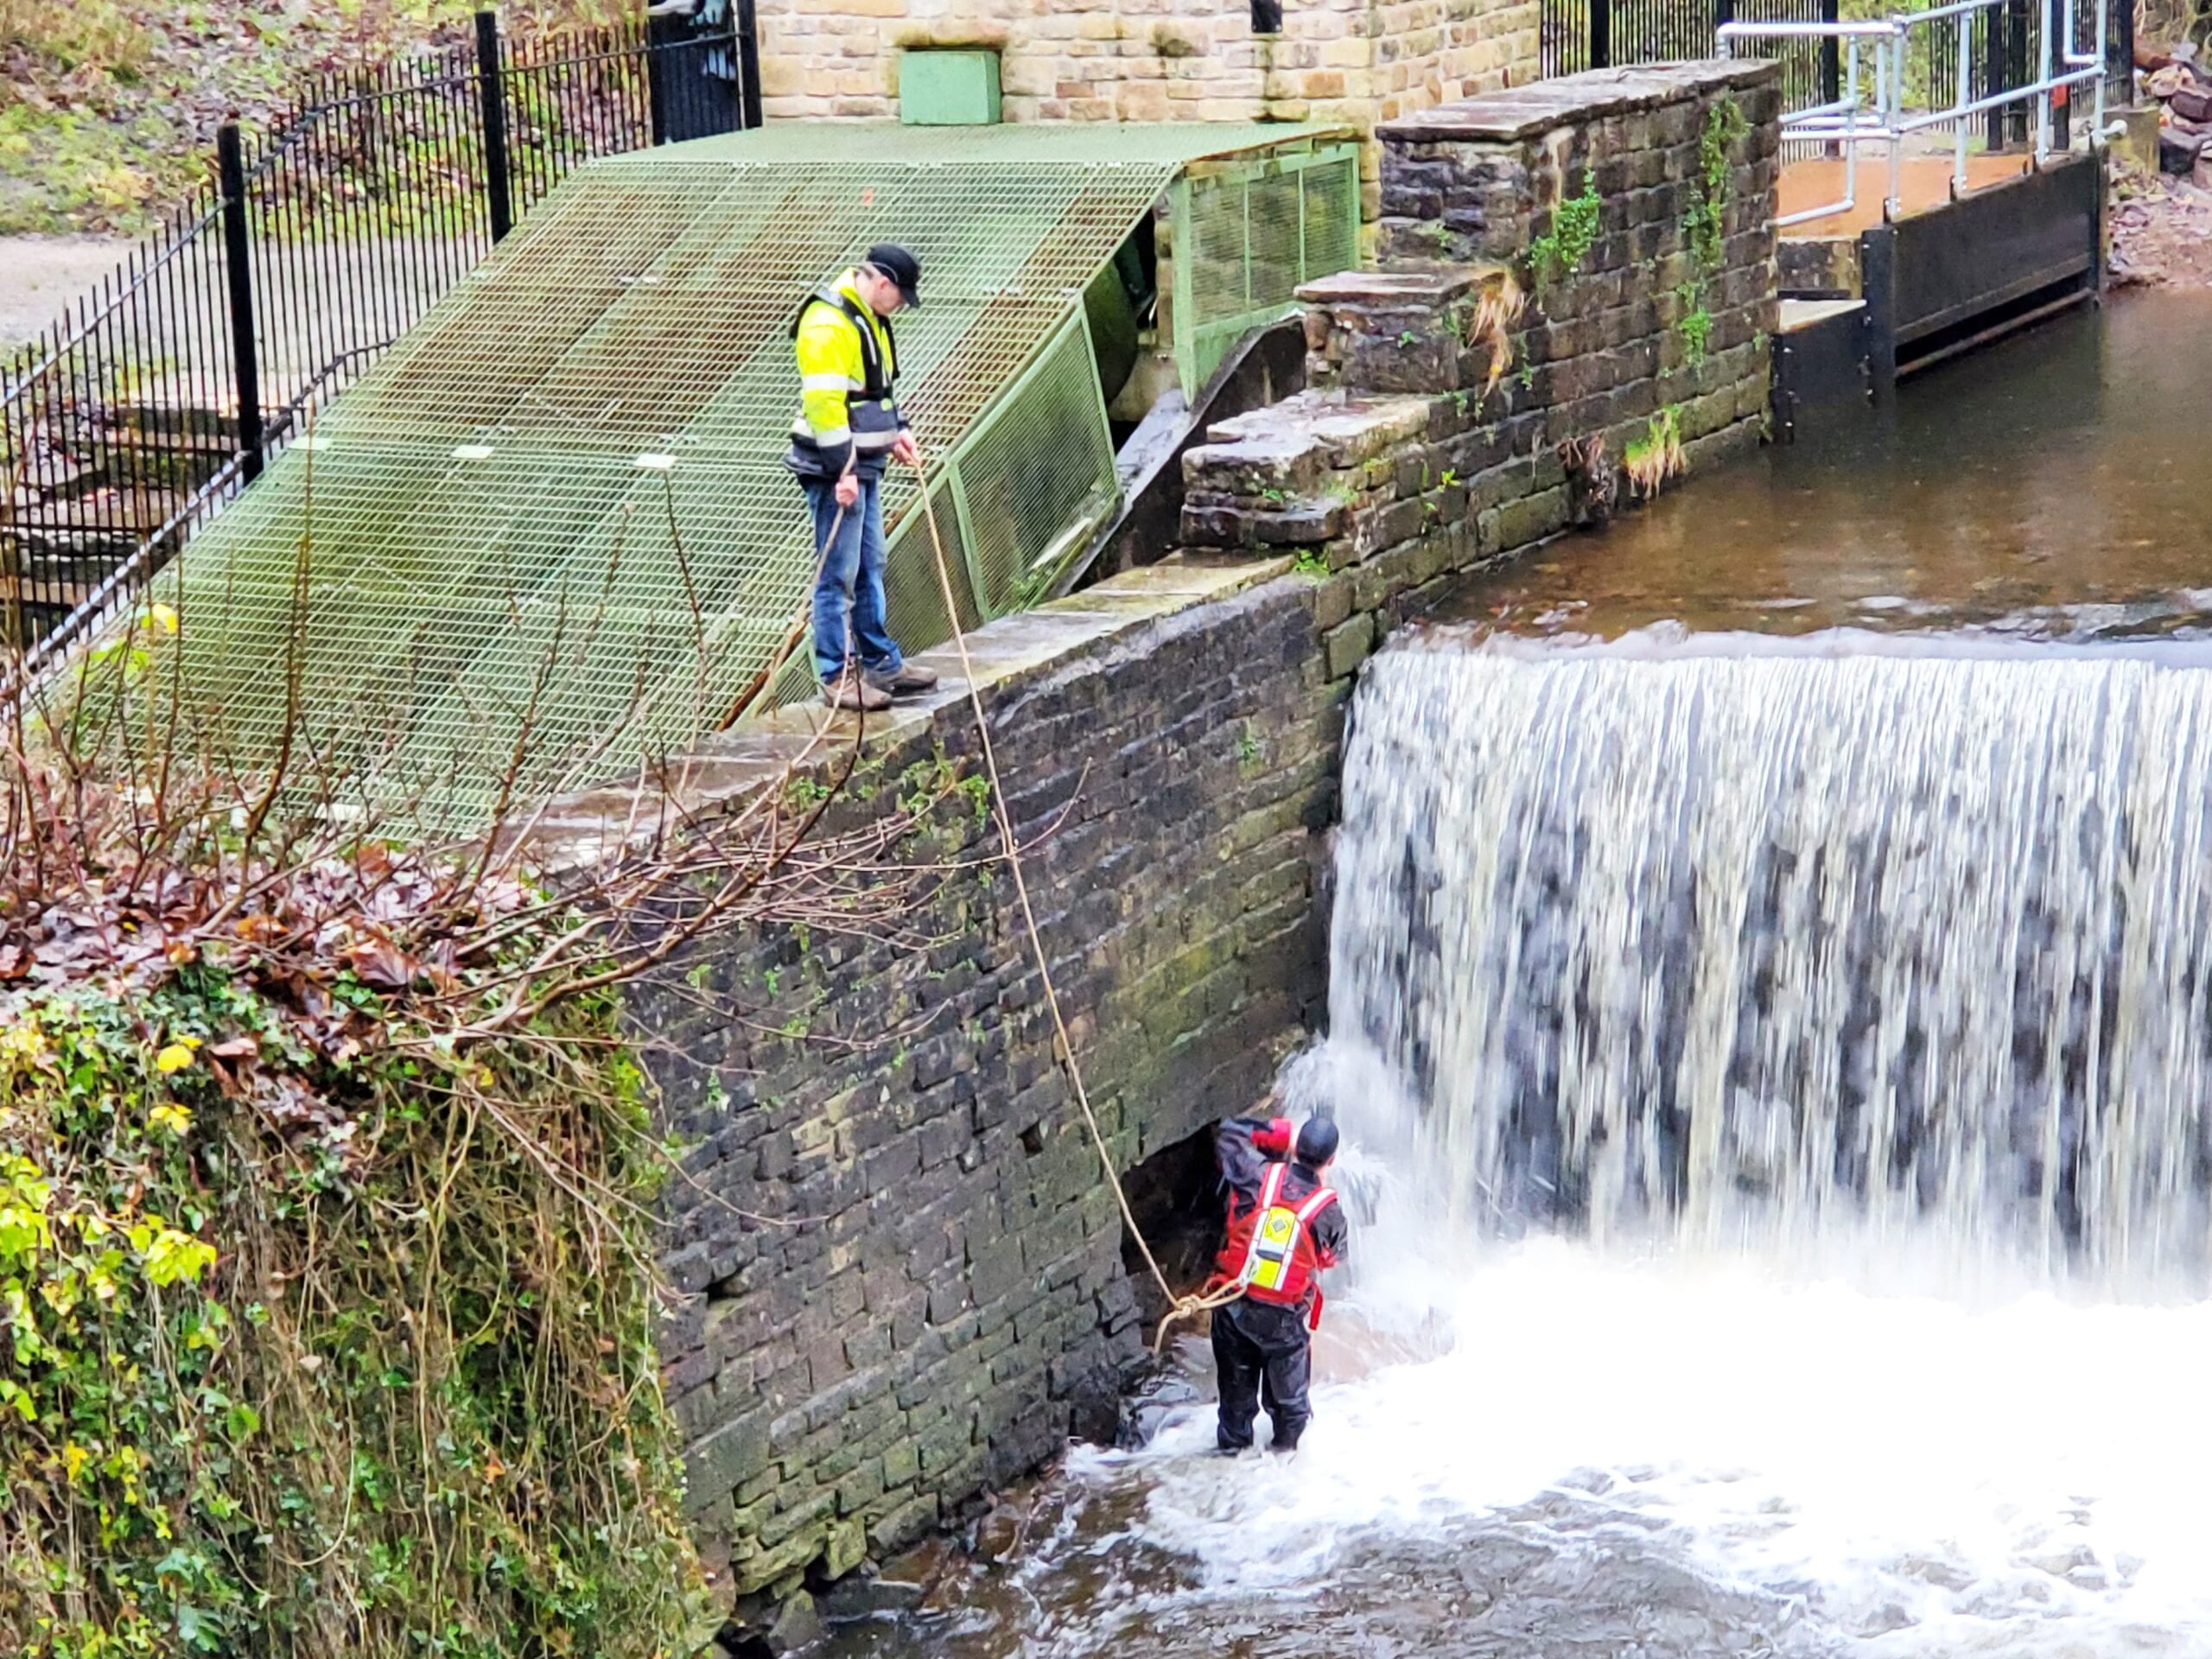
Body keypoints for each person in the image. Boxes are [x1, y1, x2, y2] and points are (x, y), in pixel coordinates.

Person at [785, 244, 940, 712]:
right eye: (900, 296)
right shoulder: (828, 325)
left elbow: (877, 389)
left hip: (867, 462)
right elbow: (825, 408)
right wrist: (843, 471)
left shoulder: (867, 316)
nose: (900, 306)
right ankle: (837, 674)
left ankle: (879, 660)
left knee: (870, 563)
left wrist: (900, 432)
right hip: (836, 469)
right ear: (882, 284)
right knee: (838, 573)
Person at [1209, 1109, 1346, 1454]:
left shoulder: (1255, 1176)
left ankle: (1230, 1467)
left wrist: (1284, 1133)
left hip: (1233, 1306)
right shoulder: (1328, 1211)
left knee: (1235, 1410)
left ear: (1296, 1147)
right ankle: (1281, 1472)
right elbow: (1333, 1256)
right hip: (1282, 1323)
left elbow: (1230, 1132)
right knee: (1290, 1410)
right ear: (1331, 1160)